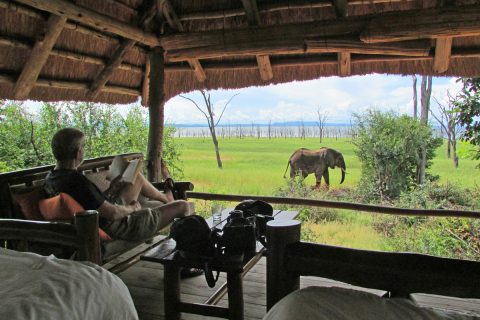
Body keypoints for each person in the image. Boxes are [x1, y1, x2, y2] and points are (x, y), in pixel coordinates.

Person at [45, 127, 193, 242]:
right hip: (117, 225)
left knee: (137, 177)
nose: (84, 150)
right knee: (184, 206)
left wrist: (112, 189)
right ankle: (188, 258)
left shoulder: (53, 177)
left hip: (101, 217)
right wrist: (132, 208)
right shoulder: (76, 181)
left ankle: (166, 199)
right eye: (83, 147)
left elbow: (92, 203)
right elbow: (112, 213)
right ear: (78, 153)